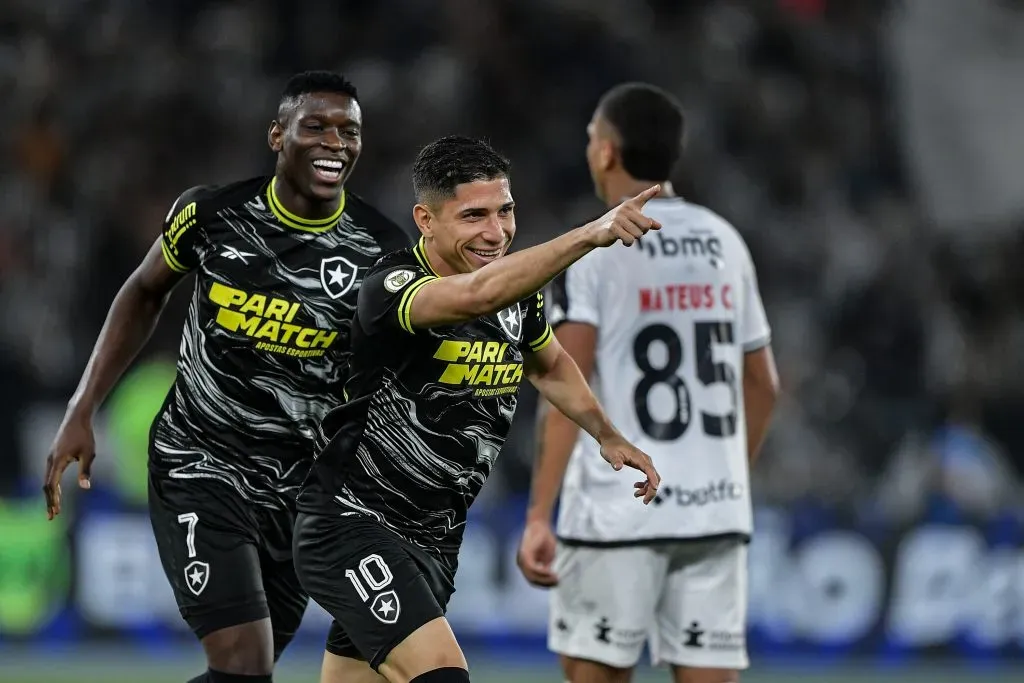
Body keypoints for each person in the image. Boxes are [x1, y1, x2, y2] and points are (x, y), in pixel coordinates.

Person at [42, 71, 414, 683]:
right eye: (315, 126)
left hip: (299, 494)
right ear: (278, 135)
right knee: (241, 660)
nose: (334, 142)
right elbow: (143, 293)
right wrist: (83, 407)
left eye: (349, 130)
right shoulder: (210, 214)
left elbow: (390, 379)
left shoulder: (381, 251)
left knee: (248, 674)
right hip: (199, 462)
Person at [292, 135, 664, 683]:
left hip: (435, 539)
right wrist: (591, 233)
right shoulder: (391, 287)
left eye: (505, 211)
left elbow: (550, 364)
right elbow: (475, 297)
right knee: (443, 674)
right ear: (426, 220)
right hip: (352, 524)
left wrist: (607, 434)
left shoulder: (520, 292)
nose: (496, 232)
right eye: (473, 216)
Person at [516, 83, 780, 683]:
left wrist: (539, 513)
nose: (588, 150)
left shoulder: (596, 248)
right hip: (714, 514)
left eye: (590, 138)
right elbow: (764, 384)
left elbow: (565, 383)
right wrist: (726, 475)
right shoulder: (725, 242)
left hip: (618, 513)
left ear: (607, 152)